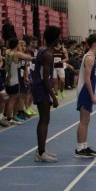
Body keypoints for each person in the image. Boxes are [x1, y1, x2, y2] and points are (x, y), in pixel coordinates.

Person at [31, 26, 61, 163]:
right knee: (44, 120)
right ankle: (41, 152)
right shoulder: (48, 55)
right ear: (55, 39)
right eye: (58, 38)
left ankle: (41, 150)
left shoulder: (42, 50)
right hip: (42, 88)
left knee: (44, 120)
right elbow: (45, 78)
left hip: (40, 87)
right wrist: (53, 97)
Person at [74, 33, 96, 158]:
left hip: (88, 90)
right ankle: (79, 149)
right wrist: (92, 96)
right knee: (83, 120)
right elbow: (87, 79)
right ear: (95, 44)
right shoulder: (89, 58)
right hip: (84, 91)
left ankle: (84, 146)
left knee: (86, 119)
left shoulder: (92, 56)